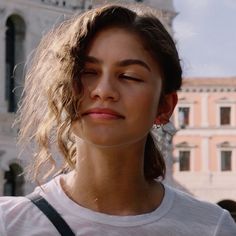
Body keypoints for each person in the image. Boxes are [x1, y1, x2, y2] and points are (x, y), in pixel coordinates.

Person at [0, 3, 236, 236]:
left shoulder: (212, 227)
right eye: (88, 72)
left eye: (128, 76)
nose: (103, 90)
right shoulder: (8, 223)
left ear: (165, 106)